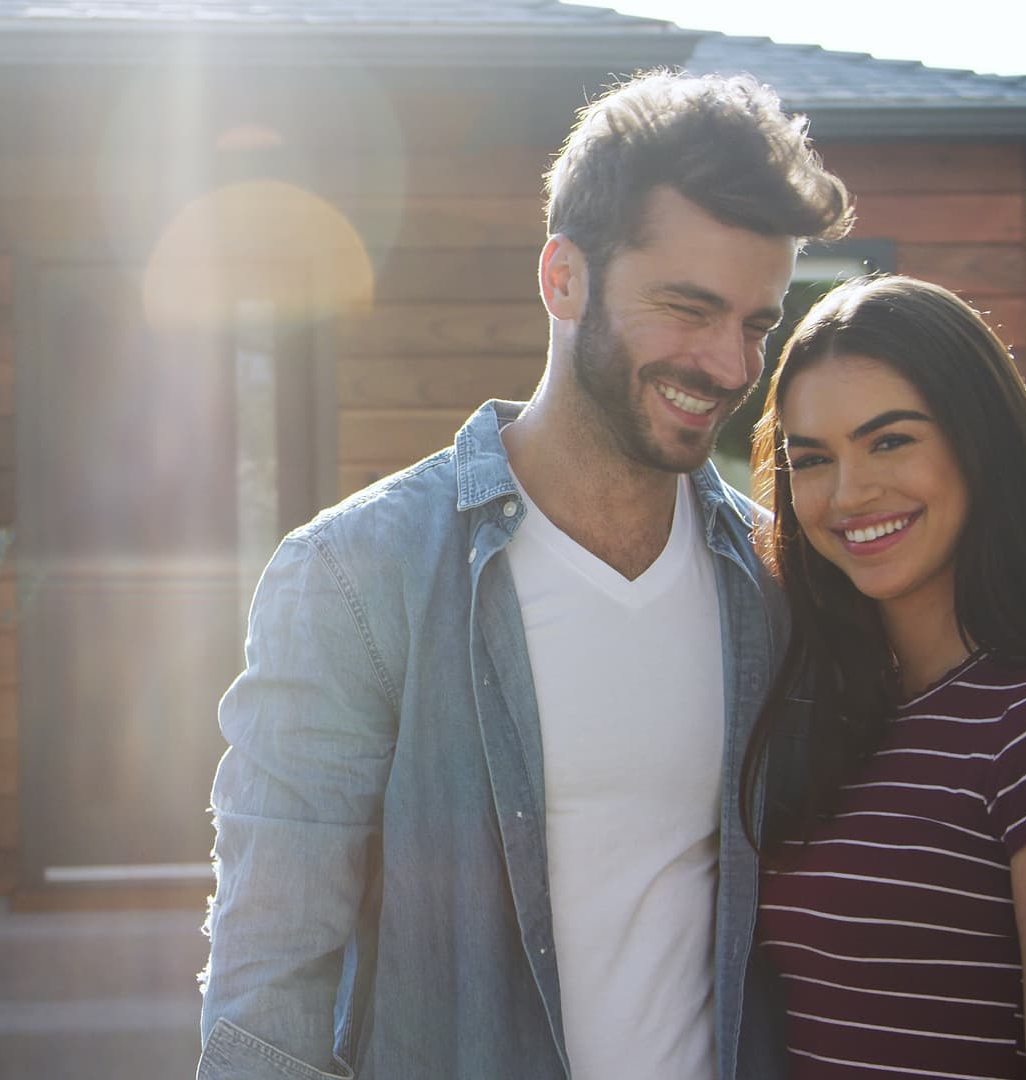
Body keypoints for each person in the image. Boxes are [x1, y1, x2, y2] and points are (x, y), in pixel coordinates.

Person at [197, 71, 852, 1080]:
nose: (729, 365)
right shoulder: (356, 577)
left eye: (757, 325)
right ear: (563, 279)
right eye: (688, 308)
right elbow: (271, 978)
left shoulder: (774, 579)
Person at [744, 274, 1026, 1078]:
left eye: (890, 441)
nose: (849, 494)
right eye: (812, 459)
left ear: (979, 440)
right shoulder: (836, 713)